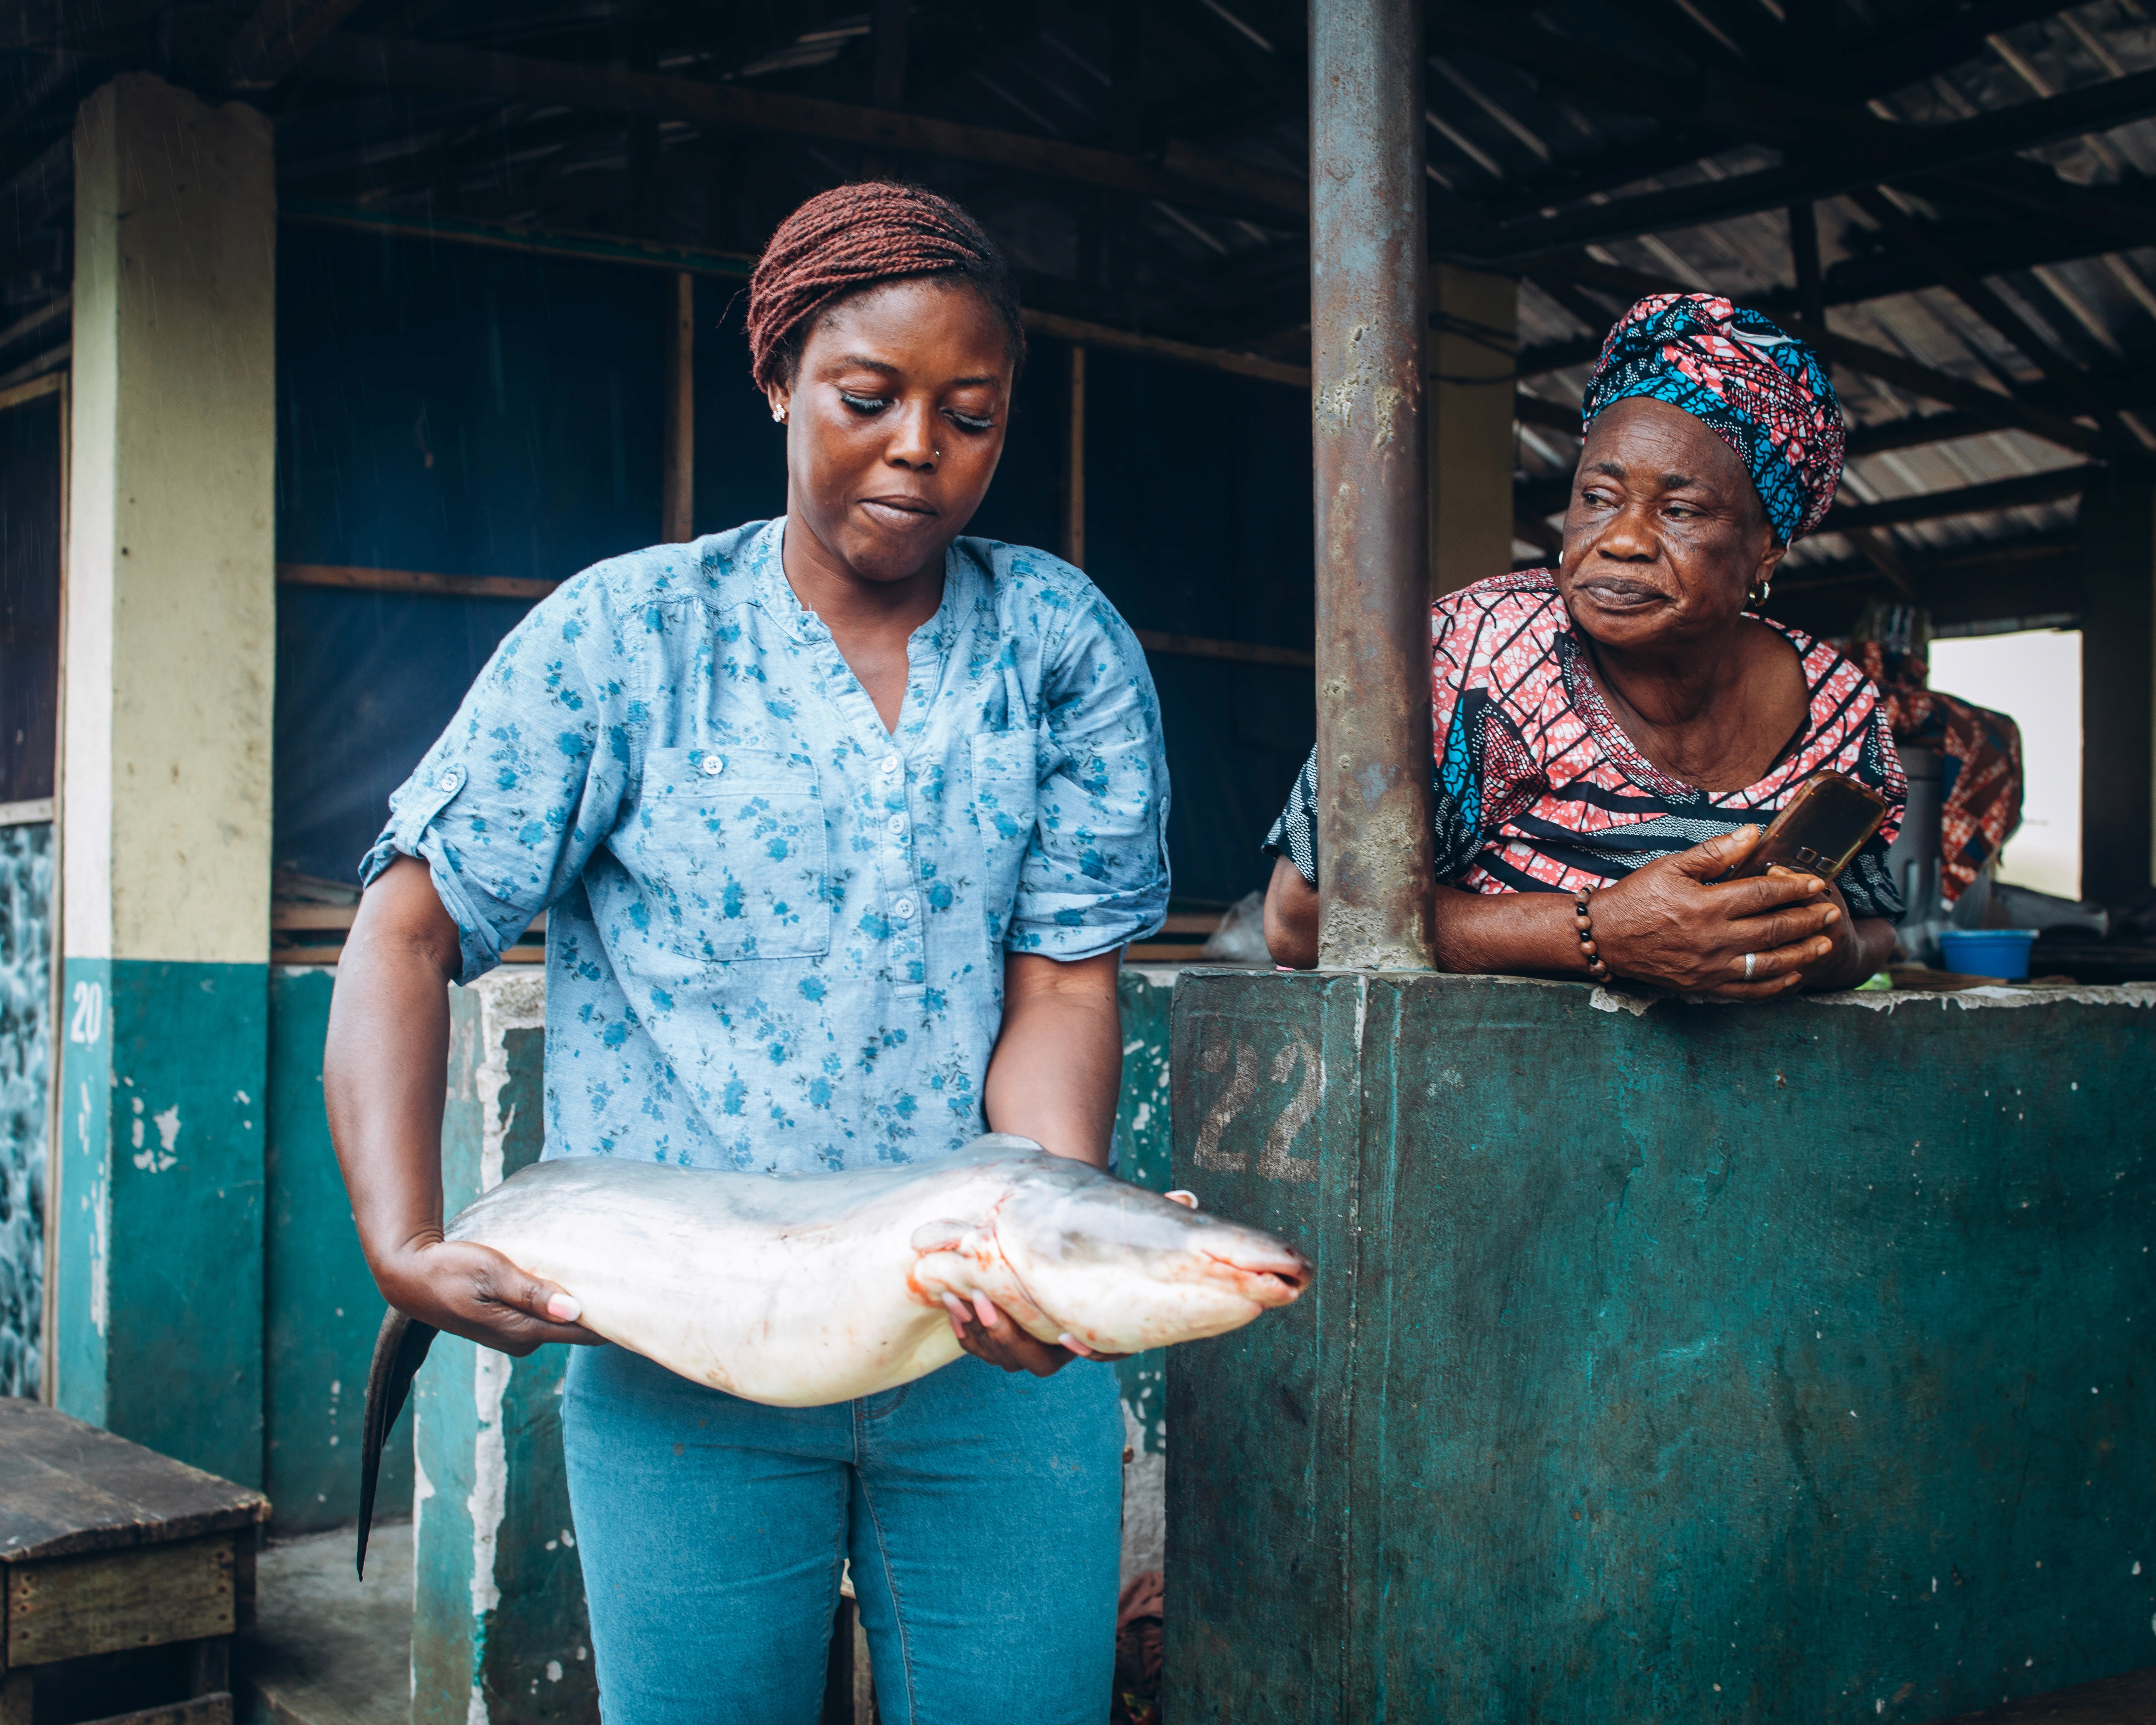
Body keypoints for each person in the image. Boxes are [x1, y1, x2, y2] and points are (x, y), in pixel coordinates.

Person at [322, 183, 1169, 1725]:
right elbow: (409, 916)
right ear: (776, 377)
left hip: (986, 1378)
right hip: (682, 1361)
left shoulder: (1059, 646)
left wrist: (1029, 1248)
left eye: (970, 416)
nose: (919, 445)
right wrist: (401, 1236)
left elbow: (1059, 981)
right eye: (869, 396)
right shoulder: (624, 640)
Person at [1264, 293, 1903, 996]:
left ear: (1767, 549)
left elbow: (1876, 928)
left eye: (1681, 510)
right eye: (1597, 498)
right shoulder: (1470, 654)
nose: (1621, 541)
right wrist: (1599, 932)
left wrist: (1831, 952)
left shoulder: (1839, 705)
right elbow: (1301, 919)